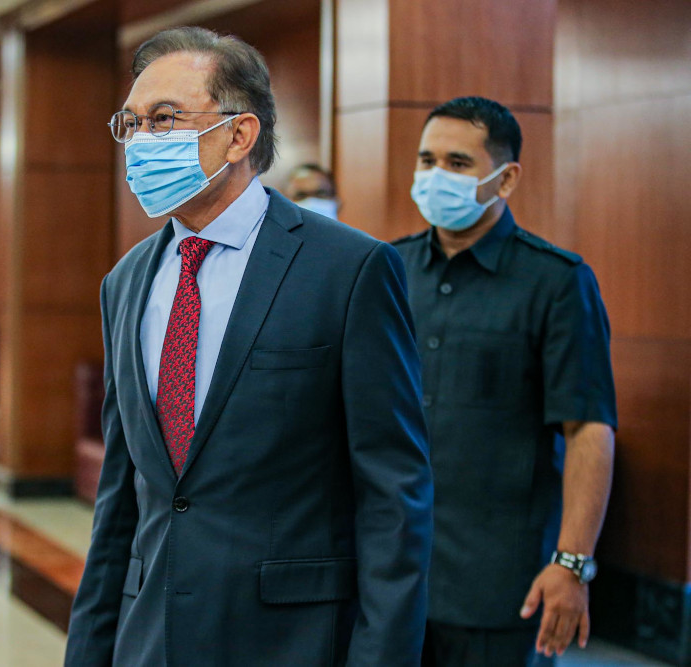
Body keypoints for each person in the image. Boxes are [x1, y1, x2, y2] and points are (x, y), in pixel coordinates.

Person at [66, 26, 432, 667]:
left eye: (166, 119)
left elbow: (393, 496)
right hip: (150, 636)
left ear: (239, 134)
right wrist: (90, 650)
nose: (143, 141)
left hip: (293, 641)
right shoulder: (124, 282)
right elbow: (121, 497)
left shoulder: (348, 269)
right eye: (133, 123)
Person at [392, 96, 617, 667]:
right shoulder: (386, 271)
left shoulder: (557, 282)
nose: (435, 176)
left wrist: (572, 564)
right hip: (392, 574)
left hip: (500, 588)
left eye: (458, 163)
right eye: (426, 160)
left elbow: (589, 426)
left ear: (506, 177)